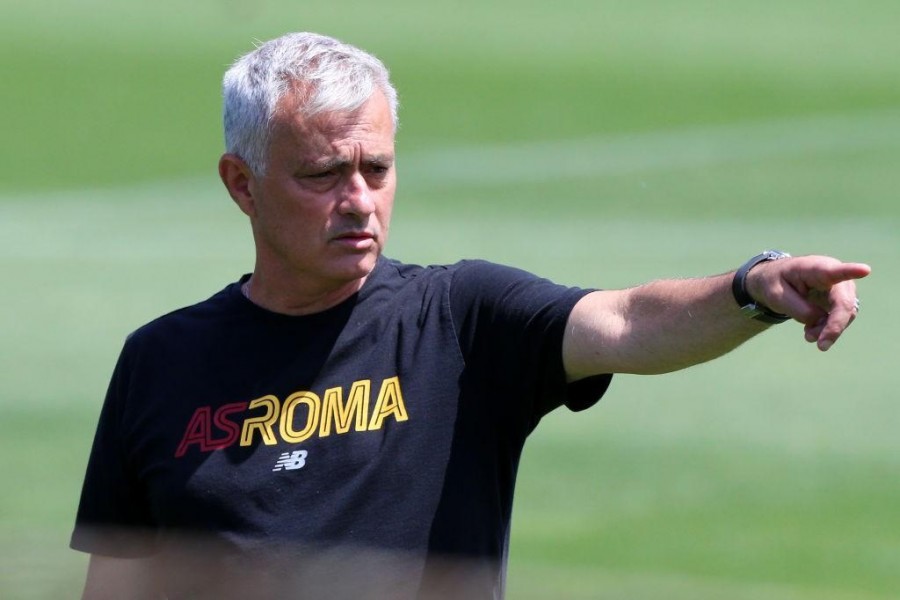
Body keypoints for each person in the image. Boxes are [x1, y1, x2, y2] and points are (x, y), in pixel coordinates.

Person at [70, 32, 870, 599]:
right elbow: (119, 583)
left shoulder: (460, 320)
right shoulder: (160, 361)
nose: (359, 201)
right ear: (241, 185)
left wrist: (753, 286)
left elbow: (628, 322)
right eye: (322, 174)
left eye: (376, 168)